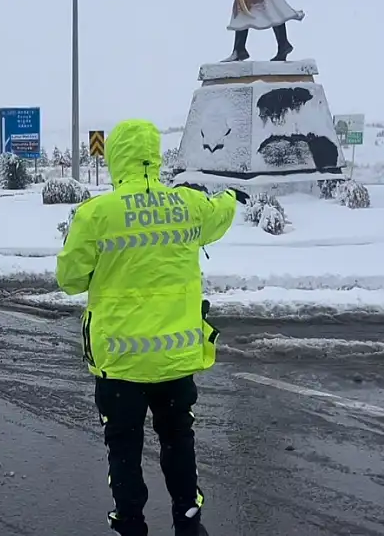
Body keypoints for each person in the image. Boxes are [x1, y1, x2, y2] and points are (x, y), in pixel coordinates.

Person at [55, 119, 247, 536]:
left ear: (115, 158)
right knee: (178, 440)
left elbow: (69, 280)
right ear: (155, 155)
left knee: (123, 448)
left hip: (120, 363)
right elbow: (218, 215)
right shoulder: (187, 205)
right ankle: (188, 520)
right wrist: (232, 195)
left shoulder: (97, 215)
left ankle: (131, 525)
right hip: (176, 359)